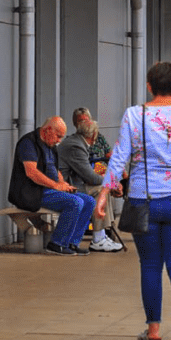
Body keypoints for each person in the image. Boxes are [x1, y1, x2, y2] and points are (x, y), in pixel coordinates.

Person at [96, 61, 171, 340]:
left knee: (150, 265)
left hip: (144, 199)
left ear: (149, 85)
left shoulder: (135, 115)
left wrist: (103, 195)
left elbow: (120, 156)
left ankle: (154, 329)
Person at [8, 116, 96, 256]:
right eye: (58, 136)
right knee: (75, 202)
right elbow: (32, 173)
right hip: (32, 192)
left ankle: (72, 243)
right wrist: (56, 185)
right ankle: (57, 244)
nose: (59, 141)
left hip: (50, 190)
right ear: (47, 130)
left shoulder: (51, 146)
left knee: (89, 201)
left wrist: (62, 183)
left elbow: (55, 169)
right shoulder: (28, 143)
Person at [60, 108, 122, 252]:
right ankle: (98, 239)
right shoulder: (76, 146)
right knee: (101, 190)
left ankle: (100, 235)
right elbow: (91, 177)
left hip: (72, 184)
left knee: (102, 189)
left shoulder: (77, 142)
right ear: (93, 134)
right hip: (66, 186)